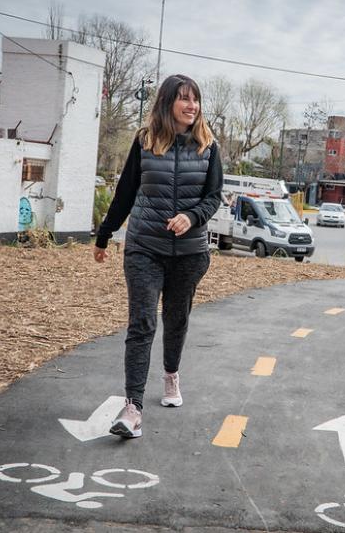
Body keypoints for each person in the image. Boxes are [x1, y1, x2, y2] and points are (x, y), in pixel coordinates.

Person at [93, 74, 223, 439]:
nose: (191, 106)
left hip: (190, 252)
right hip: (144, 247)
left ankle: (170, 375)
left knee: (176, 318)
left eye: (195, 99)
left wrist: (191, 217)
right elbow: (125, 191)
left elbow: (214, 196)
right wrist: (105, 234)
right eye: (184, 99)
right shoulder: (145, 141)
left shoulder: (209, 146)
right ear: (167, 103)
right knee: (142, 323)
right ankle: (132, 407)